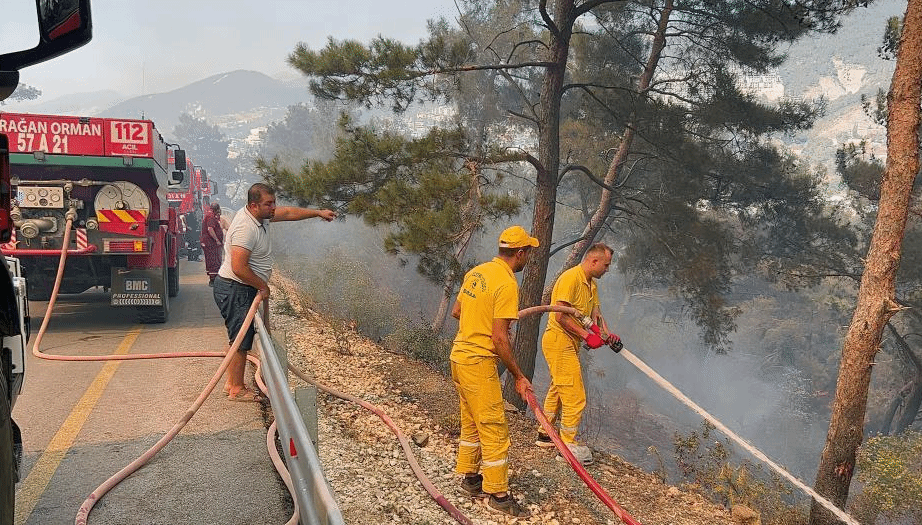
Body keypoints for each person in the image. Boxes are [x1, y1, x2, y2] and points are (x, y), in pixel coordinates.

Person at [214, 183, 336, 401]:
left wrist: (317, 213)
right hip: (236, 287)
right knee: (241, 338)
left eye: (274, 203)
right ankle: (236, 389)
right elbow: (239, 267)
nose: (273, 208)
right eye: (268, 204)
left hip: (240, 287)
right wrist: (262, 285)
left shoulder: (260, 217)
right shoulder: (246, 228)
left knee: (239, 335)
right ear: (253, 206)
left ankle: (230, 382)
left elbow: (288, 212)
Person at [450, 225, 537, 518]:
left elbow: (457, 312)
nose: (528, 259)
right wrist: (518, 375)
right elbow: (500, 338)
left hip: (459, 356)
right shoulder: (507, 283)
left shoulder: (477, 272)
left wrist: (479, 318)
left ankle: (471, 479)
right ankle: (498, 495)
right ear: (520, 253)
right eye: (528, 253)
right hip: (477, 361)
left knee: (472, 421)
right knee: (494, 427)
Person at [535, 243, 621, 466]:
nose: (607, 269)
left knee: (558, 387)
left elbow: (596, 315)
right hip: (558, 341)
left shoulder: (591, 285)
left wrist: (607, 335)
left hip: (569, 342)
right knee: (575, 395)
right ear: (594, 261)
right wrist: (586, 335)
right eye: (606, 265)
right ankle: (567, 445)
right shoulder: (571, 278)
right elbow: (559, 316)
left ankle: (545, 435)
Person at [200, 202, 224, 286]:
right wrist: (217, 240)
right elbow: (210, 229)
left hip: (209, 242)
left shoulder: (209, 215)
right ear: (216, 209)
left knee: (211, 260)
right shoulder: (211, 216)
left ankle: (213, 278)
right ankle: (213, 279)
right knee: (214, 260)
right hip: (211, 243)